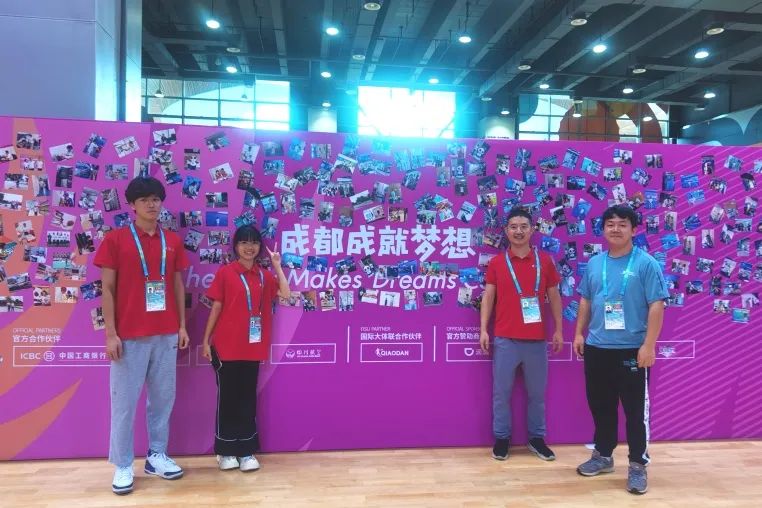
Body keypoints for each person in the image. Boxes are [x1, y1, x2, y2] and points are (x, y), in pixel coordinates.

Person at [94, 176, 190, 495]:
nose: (152, 204)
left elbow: (177, 285)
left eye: (156, 199)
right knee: (124, 404)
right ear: (132, 205)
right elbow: (107, 289)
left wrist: (181, 326)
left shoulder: (172, 241)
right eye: (145, 199)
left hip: (166, 333)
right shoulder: (116, 239)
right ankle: (123, 464)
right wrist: (110, 334)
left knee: (163, 400)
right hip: (129, 336)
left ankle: (156, 455)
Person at [573, 205, 669, 495]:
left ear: (634, 230)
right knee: (601, 407)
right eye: (610, 224)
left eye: (622, 224)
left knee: (635, 413)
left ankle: (638, 465)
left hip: (632, 351)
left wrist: (649, 345)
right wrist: (578, 333)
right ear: (603, 229)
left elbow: (657, 305)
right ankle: (603, 456)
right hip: (597, 348)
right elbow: (586, 300)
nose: (615, 229)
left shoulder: (646, 264)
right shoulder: (594, 264)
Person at [202, 225, 290, 472]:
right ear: (235, 246)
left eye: (254, 242)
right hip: (226, 347)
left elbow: (286, 294)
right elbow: (216, 307)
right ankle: (225, 450)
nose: (249, 247)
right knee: (228, 400)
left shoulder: (264, 276)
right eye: (244, 242)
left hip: (253, 347)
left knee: (247, 399)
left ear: (259, 247)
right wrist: (206, 340)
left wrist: (277, 265)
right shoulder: (226, 273)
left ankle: (246, 450)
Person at [480, 207, 563, 462]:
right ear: (506, 231)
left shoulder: (545, 261)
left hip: (536, 340)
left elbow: (554, 297)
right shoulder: (497, 262)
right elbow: (488, 297)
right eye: (514, 227)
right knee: (501, 393)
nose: (518, 231)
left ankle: (537, 438)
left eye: (523, 226)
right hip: (505, 339)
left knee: (537, 395)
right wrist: (483, 329)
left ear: (532, 230)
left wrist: (559, 329)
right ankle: (501, 438)